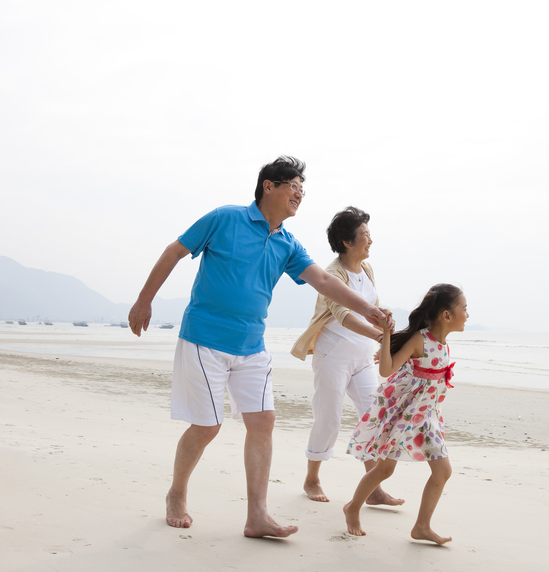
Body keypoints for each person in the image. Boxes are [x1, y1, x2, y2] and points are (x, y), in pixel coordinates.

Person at [127, 156, 388, 539]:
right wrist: (144, 300)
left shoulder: (286, 242)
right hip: (205, 338)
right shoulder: (225, 218)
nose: (299, 193)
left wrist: (369, 309)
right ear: (269, 186)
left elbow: (322, 281)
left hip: (252, 345)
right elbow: (174, 251)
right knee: (207, 426)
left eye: (303, 188)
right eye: (294, 185)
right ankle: (177, 493)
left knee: (263, 421)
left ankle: (257, 516)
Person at [291, 207, 402, 507]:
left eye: (369, 233)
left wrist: (385, 326)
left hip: (363, 357)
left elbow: (370, 308)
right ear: (346, 242)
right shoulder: (332, 275)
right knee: (329, 419)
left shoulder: (367, 270)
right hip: (333, 357)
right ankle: (312, 478)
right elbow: (343, 316)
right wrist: (379, 336)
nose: (370, 240)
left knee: (374, 416)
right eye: (364, 235)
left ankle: (373, 489)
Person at [343, 283, 469, 544]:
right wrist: (387, 335)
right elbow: (387, 371)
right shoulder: (419, 340)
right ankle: (353, 507)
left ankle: (422, 526)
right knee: (385, 469)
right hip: (407, 416)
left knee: (442, 471)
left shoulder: (444, 344)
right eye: (464, 310)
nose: (467, 315)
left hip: (429, 418)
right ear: (447, 315)